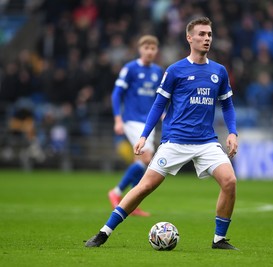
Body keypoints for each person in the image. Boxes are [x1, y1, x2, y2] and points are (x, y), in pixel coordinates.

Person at [85, 17, 239, 250]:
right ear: (189, 38)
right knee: (144, 187)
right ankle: (104, 232)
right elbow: (158, 105)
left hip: (206, 141)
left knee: (230, 181)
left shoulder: (219, 71)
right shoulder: (175, 70)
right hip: (175, 140)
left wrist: (233, 132)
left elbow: (227, 105)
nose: (207, 38)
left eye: (209, 34)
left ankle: (219, 240)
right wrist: (144, 135)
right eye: (201, 34)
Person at [108, 35, 163, 217]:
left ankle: (131, 204)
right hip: (132, 120)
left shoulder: (158, 71)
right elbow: (116, 94)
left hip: (149, 123)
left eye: (153, 48)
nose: (149, 51)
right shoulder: (130, 69)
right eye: (146, 47)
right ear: (140, 49)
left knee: (139, 161)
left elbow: (160, 97)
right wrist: (118, 119)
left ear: (156, 51)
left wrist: (162, 112)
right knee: (147, 157)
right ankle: (116, 192)